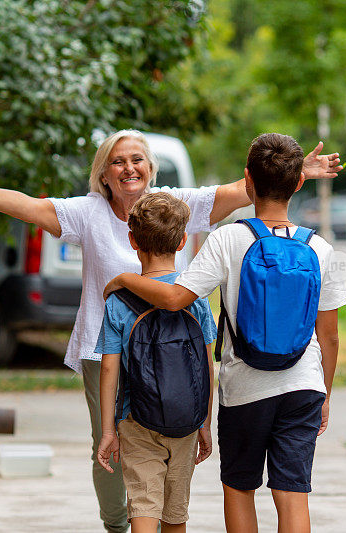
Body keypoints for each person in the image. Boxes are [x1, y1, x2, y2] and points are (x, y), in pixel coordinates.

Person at [0, 129, 342, 532]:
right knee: (110, 444)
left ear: (151, 168)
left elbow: (240, 189)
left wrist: (291, 170)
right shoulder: (86, 211)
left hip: (173, 350)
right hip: (106, 350)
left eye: (137, 159)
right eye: (118, 161)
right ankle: (116, 521)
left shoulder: (175, 204)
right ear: (103, 174)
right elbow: (28, 207)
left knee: (174, 442)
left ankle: (155, 515)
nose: (129, 168)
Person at [103, 133, 346, 533]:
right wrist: (325, 393)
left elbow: (172, 298)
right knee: (293, 492)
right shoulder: (319, 248)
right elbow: (330, 337)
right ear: (299, 183)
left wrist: (123, 279)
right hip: (304, 386)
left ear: (248, 180)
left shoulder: (229, 239)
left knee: (239, 489)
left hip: (245, 391)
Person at [96, 192, 216, 533]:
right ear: (181, 242)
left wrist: (108, 431)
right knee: (175, 513)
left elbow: (108, 368)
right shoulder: (195, 297)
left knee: (143, 507)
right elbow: (207, 366)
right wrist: (204, 422)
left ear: (132, 240)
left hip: (136, 421)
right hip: (185, 422)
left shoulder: (120, 301)